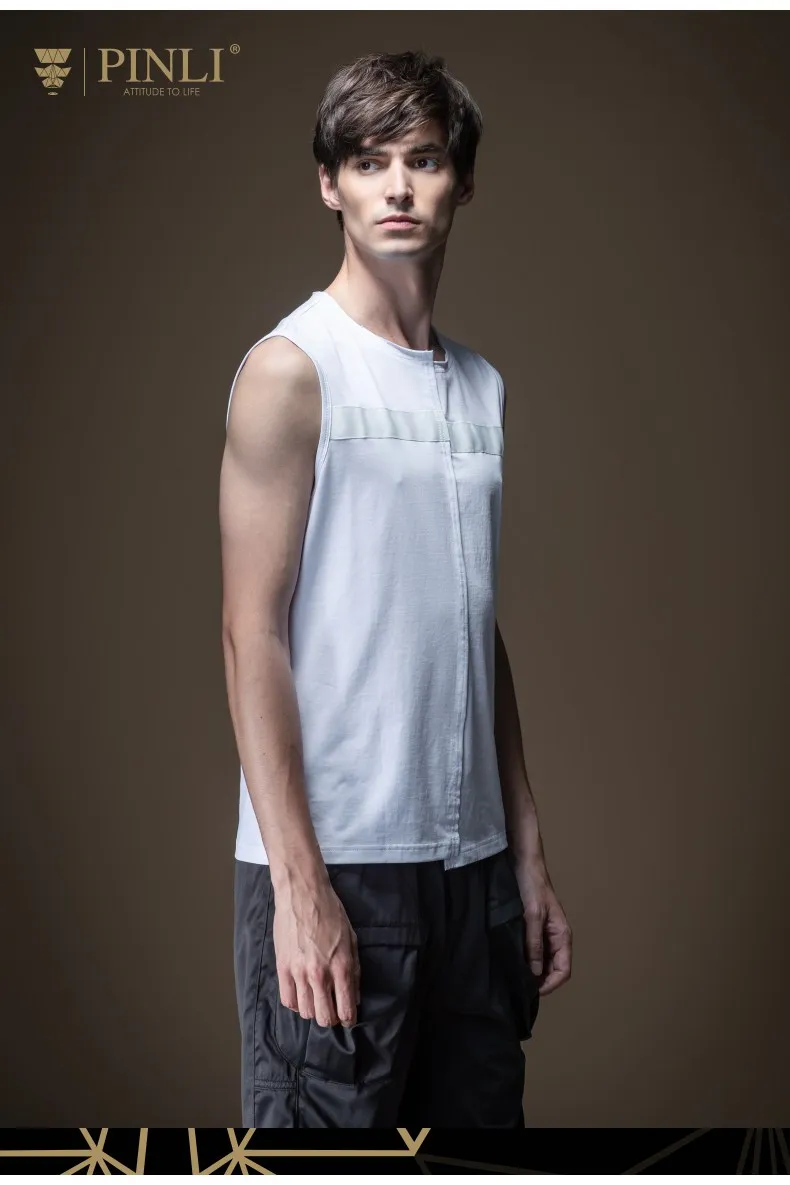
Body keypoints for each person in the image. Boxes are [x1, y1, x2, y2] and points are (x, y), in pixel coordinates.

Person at [219, 48, 572, 1129]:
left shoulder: (482, 388)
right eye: (370, 163)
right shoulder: (292, 370)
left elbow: (470, 625)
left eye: (423, 159)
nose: (399, 187)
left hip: (472, 873)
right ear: (330, 184)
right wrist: (298, 885)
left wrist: (526, 854)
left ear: (462, 180)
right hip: (342, 865)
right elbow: (250, 633)